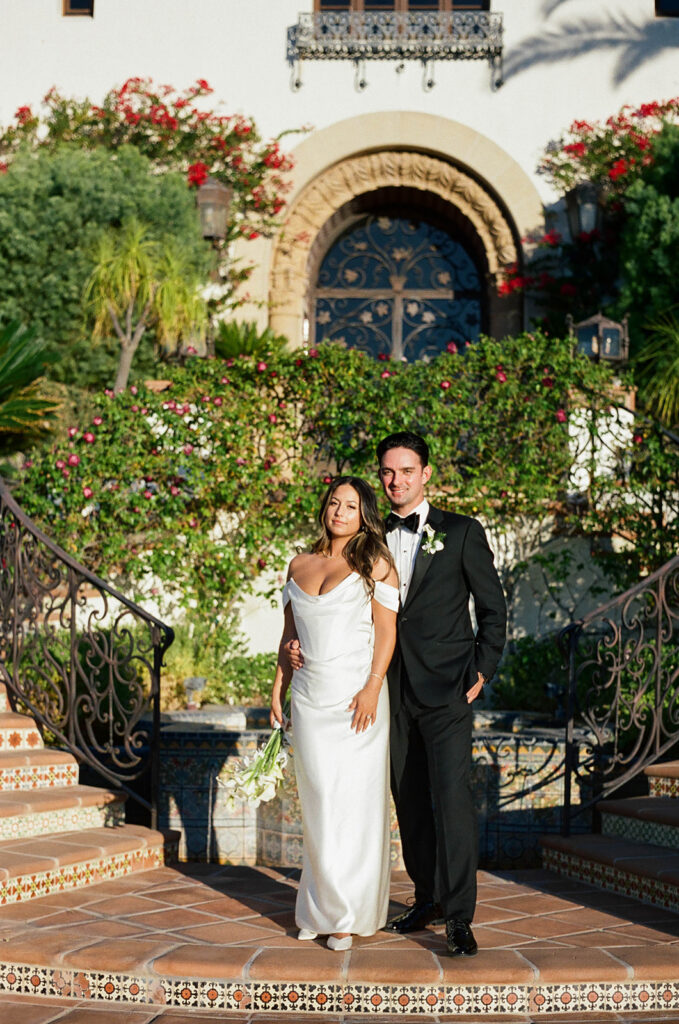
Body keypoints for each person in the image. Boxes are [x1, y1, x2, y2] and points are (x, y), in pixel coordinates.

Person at [377, 430, 506, 957]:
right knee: (408, 801)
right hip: (390, 688)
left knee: (451, 802)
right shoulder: (370, 534)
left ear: (426, 474)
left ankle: (458, 917)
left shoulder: (461, 532)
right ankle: (426, 896)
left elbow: (492, 608)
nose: (396, 481)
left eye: (406, 471)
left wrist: (482, 667)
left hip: (449, 688)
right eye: (388, 472)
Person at [270, 476, 399, 952]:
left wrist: (372, 687)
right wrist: (278, 687)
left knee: (353, 806)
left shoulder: (375, 563)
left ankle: (345, 915)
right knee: (319, 804)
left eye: (350, 505)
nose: (339, 512)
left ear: (364, 513)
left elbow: (386, 634)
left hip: (356, 700)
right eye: (333, 503)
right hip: (308, 697)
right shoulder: (298, 563)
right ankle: (317, 907)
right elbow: (288, 634)